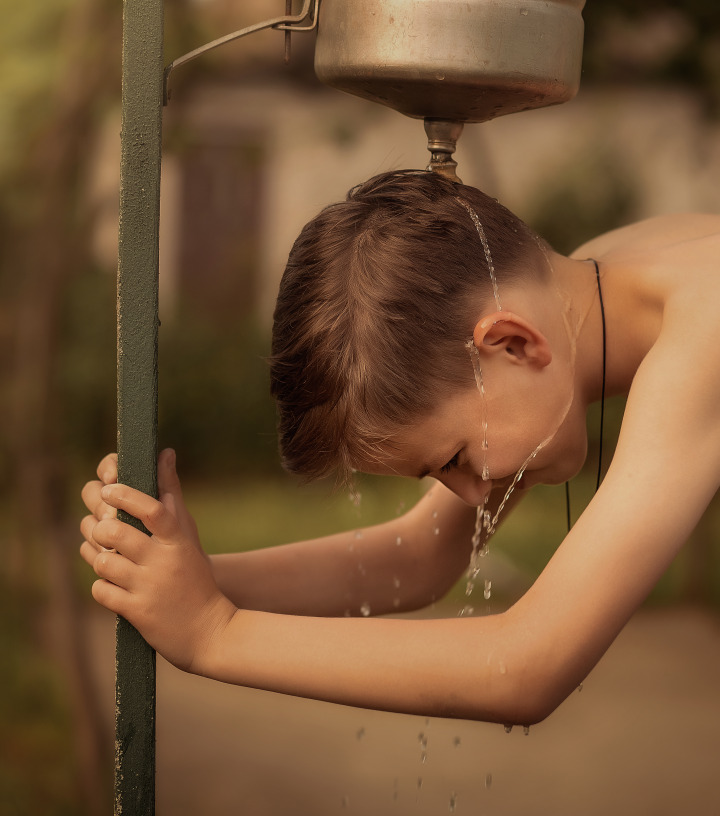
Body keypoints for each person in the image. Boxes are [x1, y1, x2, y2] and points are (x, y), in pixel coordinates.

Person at [79, 170, 720, 725]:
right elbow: (419, 557)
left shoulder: (706, 326)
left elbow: (526, 667)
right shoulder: (595, 282)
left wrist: (215, 636)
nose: (472, 492)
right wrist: (186, 581)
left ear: (512, 344)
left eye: (453, 459)